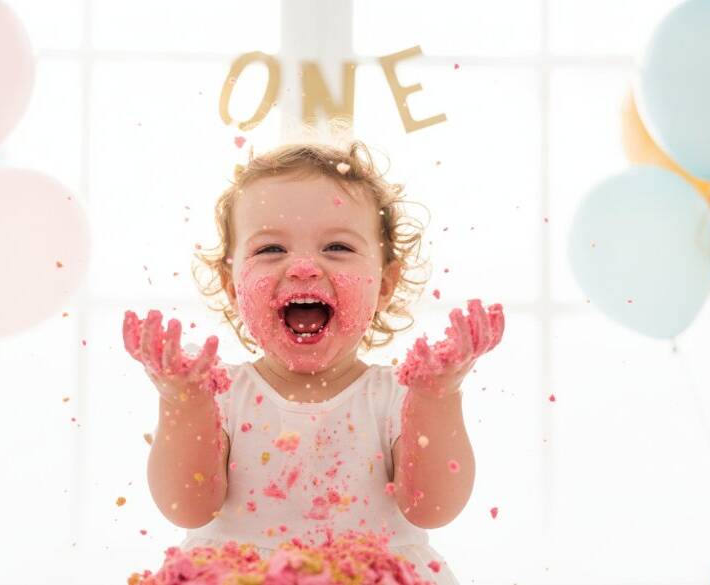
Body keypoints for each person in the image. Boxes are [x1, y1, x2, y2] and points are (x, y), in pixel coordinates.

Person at [122, 138, 504, 584]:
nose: (304, 266)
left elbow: (434, 508)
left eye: (338, 247)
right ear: (231, 285)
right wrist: (183, 401)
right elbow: (186, 507)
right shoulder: (219, 393)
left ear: (385, 283)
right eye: (270, 250)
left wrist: (438, 396)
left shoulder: (400, 396)